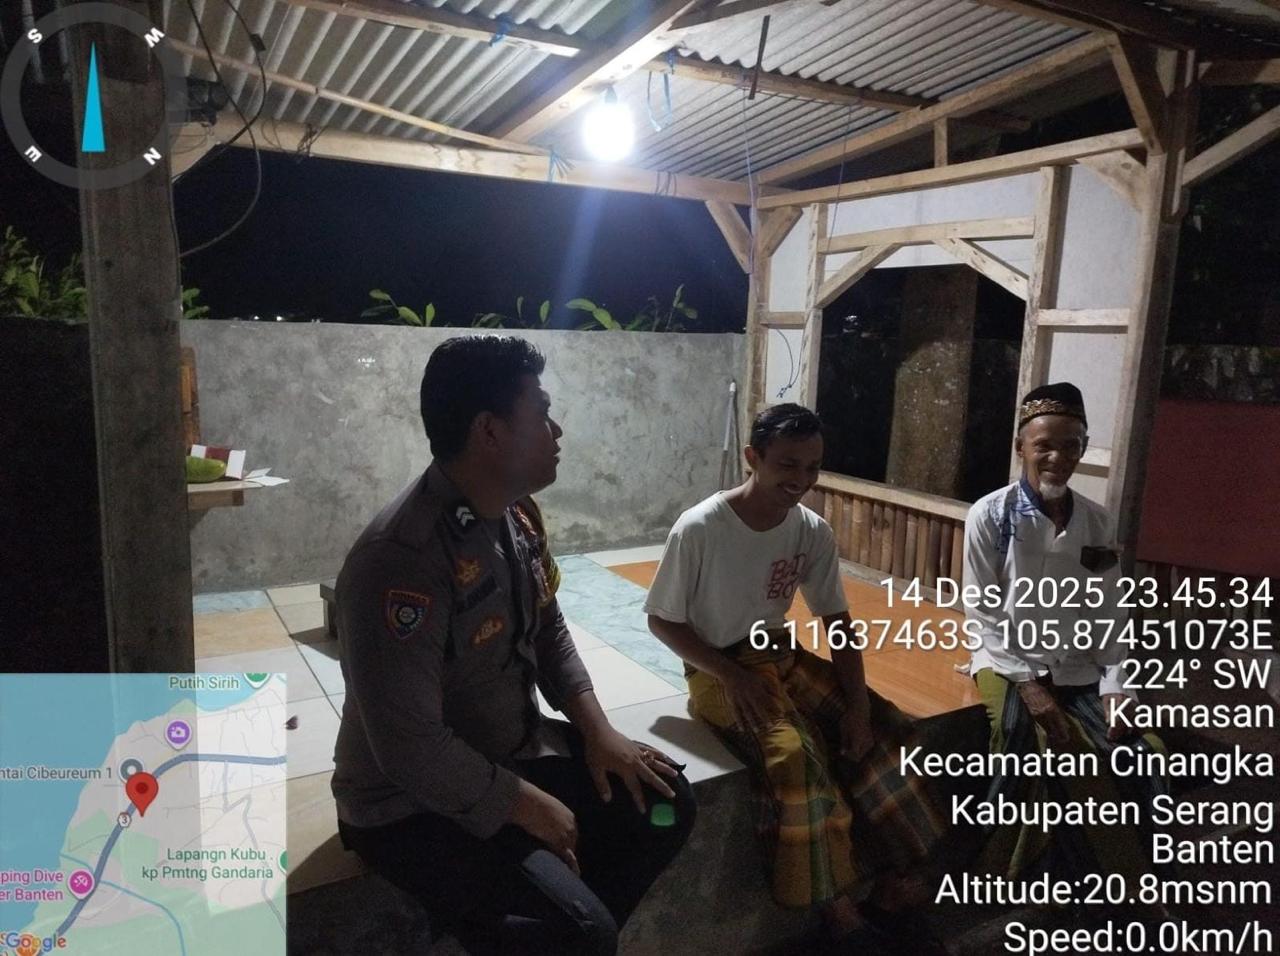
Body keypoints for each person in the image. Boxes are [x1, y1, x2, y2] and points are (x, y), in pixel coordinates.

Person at [331, 335, 696, 956]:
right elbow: (410, 750)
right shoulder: (401, 561)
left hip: (505, 753)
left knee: (667, 802)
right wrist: (525, 806)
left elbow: (548, 627)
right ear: (490, 432)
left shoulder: (514, 514)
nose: (557, 431)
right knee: (581, 932)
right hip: (407, 806)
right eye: (542, 412)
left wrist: (598, 731)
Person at [645, 403, 944, 954]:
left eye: (812, 467)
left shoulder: (810, 530)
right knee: (794, 757)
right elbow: (662, 620)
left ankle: (896, 879)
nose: (801, 480)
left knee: (884, 726)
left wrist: (858, 705)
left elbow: (837, 623)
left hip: (779, 655)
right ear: (752, 457)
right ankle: (840, 914)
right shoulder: (701, 527)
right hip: (718, 667)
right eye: (787, 464)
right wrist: (731, 676)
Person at [963, 381, 1166, 882]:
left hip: (1076, 664)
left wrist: (1116, 686)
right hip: (1006, 659)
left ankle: (1127, 875)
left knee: (1141, 753)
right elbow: (982, 610)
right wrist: (1029, 685)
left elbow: (1110, 610)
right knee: (1020, 738)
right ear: (1021, 447)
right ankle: (1009, 868)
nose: (1058, 457)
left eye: (1071, 446)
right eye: (1044, 445)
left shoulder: (1096, 523)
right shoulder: (989, 515)